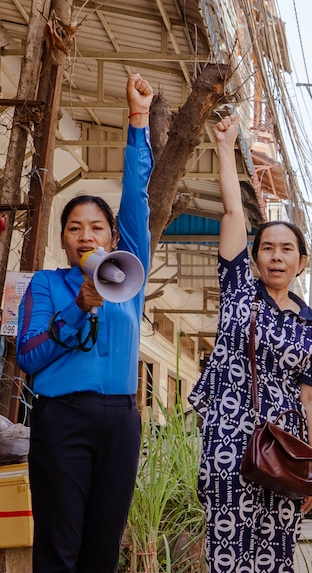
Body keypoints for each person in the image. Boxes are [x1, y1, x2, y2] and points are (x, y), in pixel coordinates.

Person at [16, 74, 154, 573]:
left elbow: (136, 199)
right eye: (75, 228)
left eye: (97, 227)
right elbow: (28, 356)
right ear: (64, 241)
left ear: (112, 237)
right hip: (62, 420)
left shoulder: (128, 275)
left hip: (119, 420)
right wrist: (80, 306)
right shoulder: (47, 287)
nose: (86, 235)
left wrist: (137, 121)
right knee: (59, 545)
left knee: (102, 549)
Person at [188, 114, 312, 572]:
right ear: (253, 256)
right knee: (227, 553)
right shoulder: (239, 290)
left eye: (287, 249)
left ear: (301, 262)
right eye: (268, 247)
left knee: (275, 553)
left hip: (285, 449)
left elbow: (311, 398)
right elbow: (232, 211)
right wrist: (225, 147)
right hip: (228, 439)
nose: (276, 256)